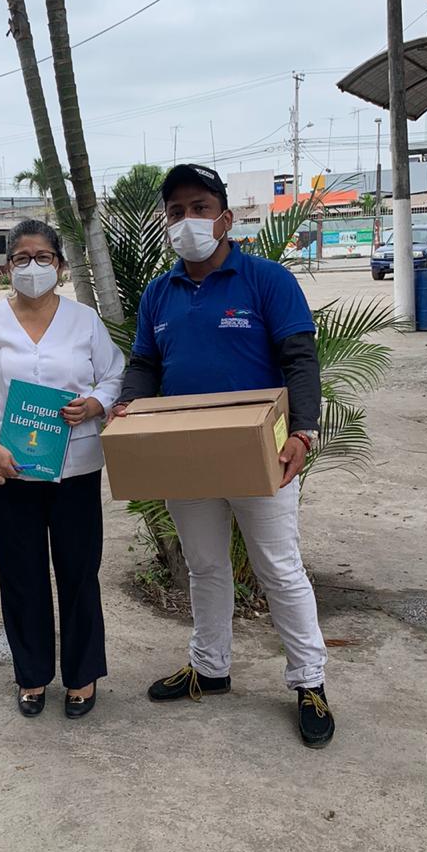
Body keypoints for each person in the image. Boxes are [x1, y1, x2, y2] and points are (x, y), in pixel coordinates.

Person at [112, 164, 334, 748]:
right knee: (204, 565)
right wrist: (129, 406)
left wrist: (302, 432)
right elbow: (145, 363)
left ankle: (309, 680)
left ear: (226, 218)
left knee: (278, 567)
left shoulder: (266, 280)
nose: (187, 220)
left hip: (260, 453)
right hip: (185, 452)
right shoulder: (159, 293)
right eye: (176, 211)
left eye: (200, 207)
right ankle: (209, 668)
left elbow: (299, 358)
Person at [0, 219, 125, 719]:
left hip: (75, 467)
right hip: (9, 469)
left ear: (60, 265)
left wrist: (95, 403)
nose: (33, 266)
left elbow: (113, 373)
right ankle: (31, 674)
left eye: (43, 257)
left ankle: (82, 674)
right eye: (22, 258)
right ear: (8, 267)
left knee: (79, 571)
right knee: (21, 575)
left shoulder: (84, 321)